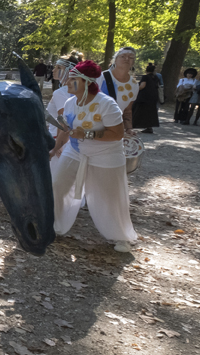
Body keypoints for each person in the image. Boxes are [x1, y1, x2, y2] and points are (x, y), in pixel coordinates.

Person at [50, 61, 137, 252]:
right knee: (58, 185)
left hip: (106, 156)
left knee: (109, 198)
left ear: (86, 82)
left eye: (73, 79)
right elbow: (65, 129)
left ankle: (120, 236)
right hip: (75, 152)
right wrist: (53, 149)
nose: (67, 82)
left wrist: (88, 134)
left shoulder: (106, 104)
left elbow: (117, 134)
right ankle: (54, 225)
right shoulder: (70, 102)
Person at [98, 46, 138, 134]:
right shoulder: (100, 78)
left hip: (114, 129)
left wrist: (128, 128)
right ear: (115, 60)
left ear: (133, 62)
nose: (127, 58)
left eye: (131, 57)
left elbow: (127, 110)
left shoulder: (134, 85)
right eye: (123, 56)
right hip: (94, 127)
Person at [46, 57, 76, 138]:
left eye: (58, 68)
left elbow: (64, 122)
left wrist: (58, 147)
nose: (53, 70)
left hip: (58, 139)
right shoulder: (78, 90)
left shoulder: (60, 93)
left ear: (69, 71)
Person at [132, 63, 161, 134]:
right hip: (154, 96)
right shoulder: (156, 77)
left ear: (146, 70)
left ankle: (132, 125)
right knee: (150, 112)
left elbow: (142, 86)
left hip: (144, 97)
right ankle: (149, 127)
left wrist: (135, 89)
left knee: (137, 109)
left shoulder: (145, 77)